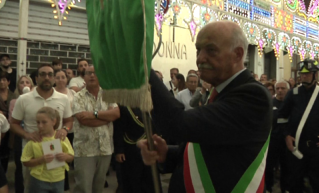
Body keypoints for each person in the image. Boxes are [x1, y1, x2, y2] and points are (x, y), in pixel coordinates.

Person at [138, 21, 272, 192]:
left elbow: (177, 123)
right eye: (198, 50)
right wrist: (167, 153)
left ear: (238, 54)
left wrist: (141, 67)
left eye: (211, 50)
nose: (200, 58)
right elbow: (214, 151)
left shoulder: (253, 96)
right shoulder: (221, 91)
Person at [277, 59, 319, 193]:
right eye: (302, 74)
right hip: (297, 146)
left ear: (315, 75)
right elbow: (281, 117)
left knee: (318, 184)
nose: (303, 76)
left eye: (307, 74)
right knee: (295, 182)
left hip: (318, 147)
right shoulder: (293, 94)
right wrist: (286, 136)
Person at [10, 64, 73, 193]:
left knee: (55, 186)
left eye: (50, 74)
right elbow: (14, 124)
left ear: (54, 78)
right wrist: (26, 135)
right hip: (33, 150)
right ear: (36, 78)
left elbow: (69, 120)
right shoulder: (23, 99)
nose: (47, 77)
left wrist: (65, 129)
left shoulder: (63, 98)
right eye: (43, 74)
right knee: (30, 187)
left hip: (55, 151)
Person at [72, 65, 119, 193]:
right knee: (83, 188)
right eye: (88, 73)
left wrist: (94, 114)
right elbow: (83, 120)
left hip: (105, 148)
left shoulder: (108, 94)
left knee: (99, 187)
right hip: (85, 150)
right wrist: (106, 118)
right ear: (84, 77)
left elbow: (116, 114)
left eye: (95, 73)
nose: (92, 75)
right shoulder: (78, 97)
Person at [21, 107, 74, 193]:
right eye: (38, 122)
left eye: (44, 122)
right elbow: (25, 161)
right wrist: (40, 160)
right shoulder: (35, 140)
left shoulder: (61, 138)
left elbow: (71, 156)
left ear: (54, 121)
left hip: (59, 179)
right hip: (39, 180)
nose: (40, 126)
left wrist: (65, 156)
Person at [113, 106, 160, 193]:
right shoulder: (124, 107)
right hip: (131, 150)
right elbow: (118, 130)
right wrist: (119, 151)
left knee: (150, 180)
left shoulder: (148, 106)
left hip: (148, 147)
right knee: (133, 180)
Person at [9, 75, 34, 193]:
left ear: (31, 85)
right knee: (20, 164)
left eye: (27, 82)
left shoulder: (34, 100)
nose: (24, 84)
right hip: (20, 135)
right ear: (18, 86)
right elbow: (13, 120)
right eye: (22, 82)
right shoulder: (14, 101)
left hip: (34, 135)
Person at [265, 80, 289, 193]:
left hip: (287, 141)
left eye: (283, 88)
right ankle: (268, 187)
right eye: (278, 88)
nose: (280, 91)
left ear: (288, 90)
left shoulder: (291, 104)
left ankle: (285, 188)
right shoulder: (270, 103)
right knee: (269, 167)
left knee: (286, 167)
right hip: (273, 141)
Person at [54, 70, 75, 191]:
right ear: (54, 79)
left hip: (70, 130)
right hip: (55, 132)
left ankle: (65, 186)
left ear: (67, 79)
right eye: (58, 77)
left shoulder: (72, 93)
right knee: (57, 158)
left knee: (67, 157)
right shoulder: (51, 93)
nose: (61, 79)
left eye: (63, 77)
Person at [0, 71, 17, 172]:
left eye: (4, 80)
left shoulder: (14, 96)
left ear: (8, 82)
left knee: (6, 152)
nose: (2, 82)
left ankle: (3, 173)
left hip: (10, 127)